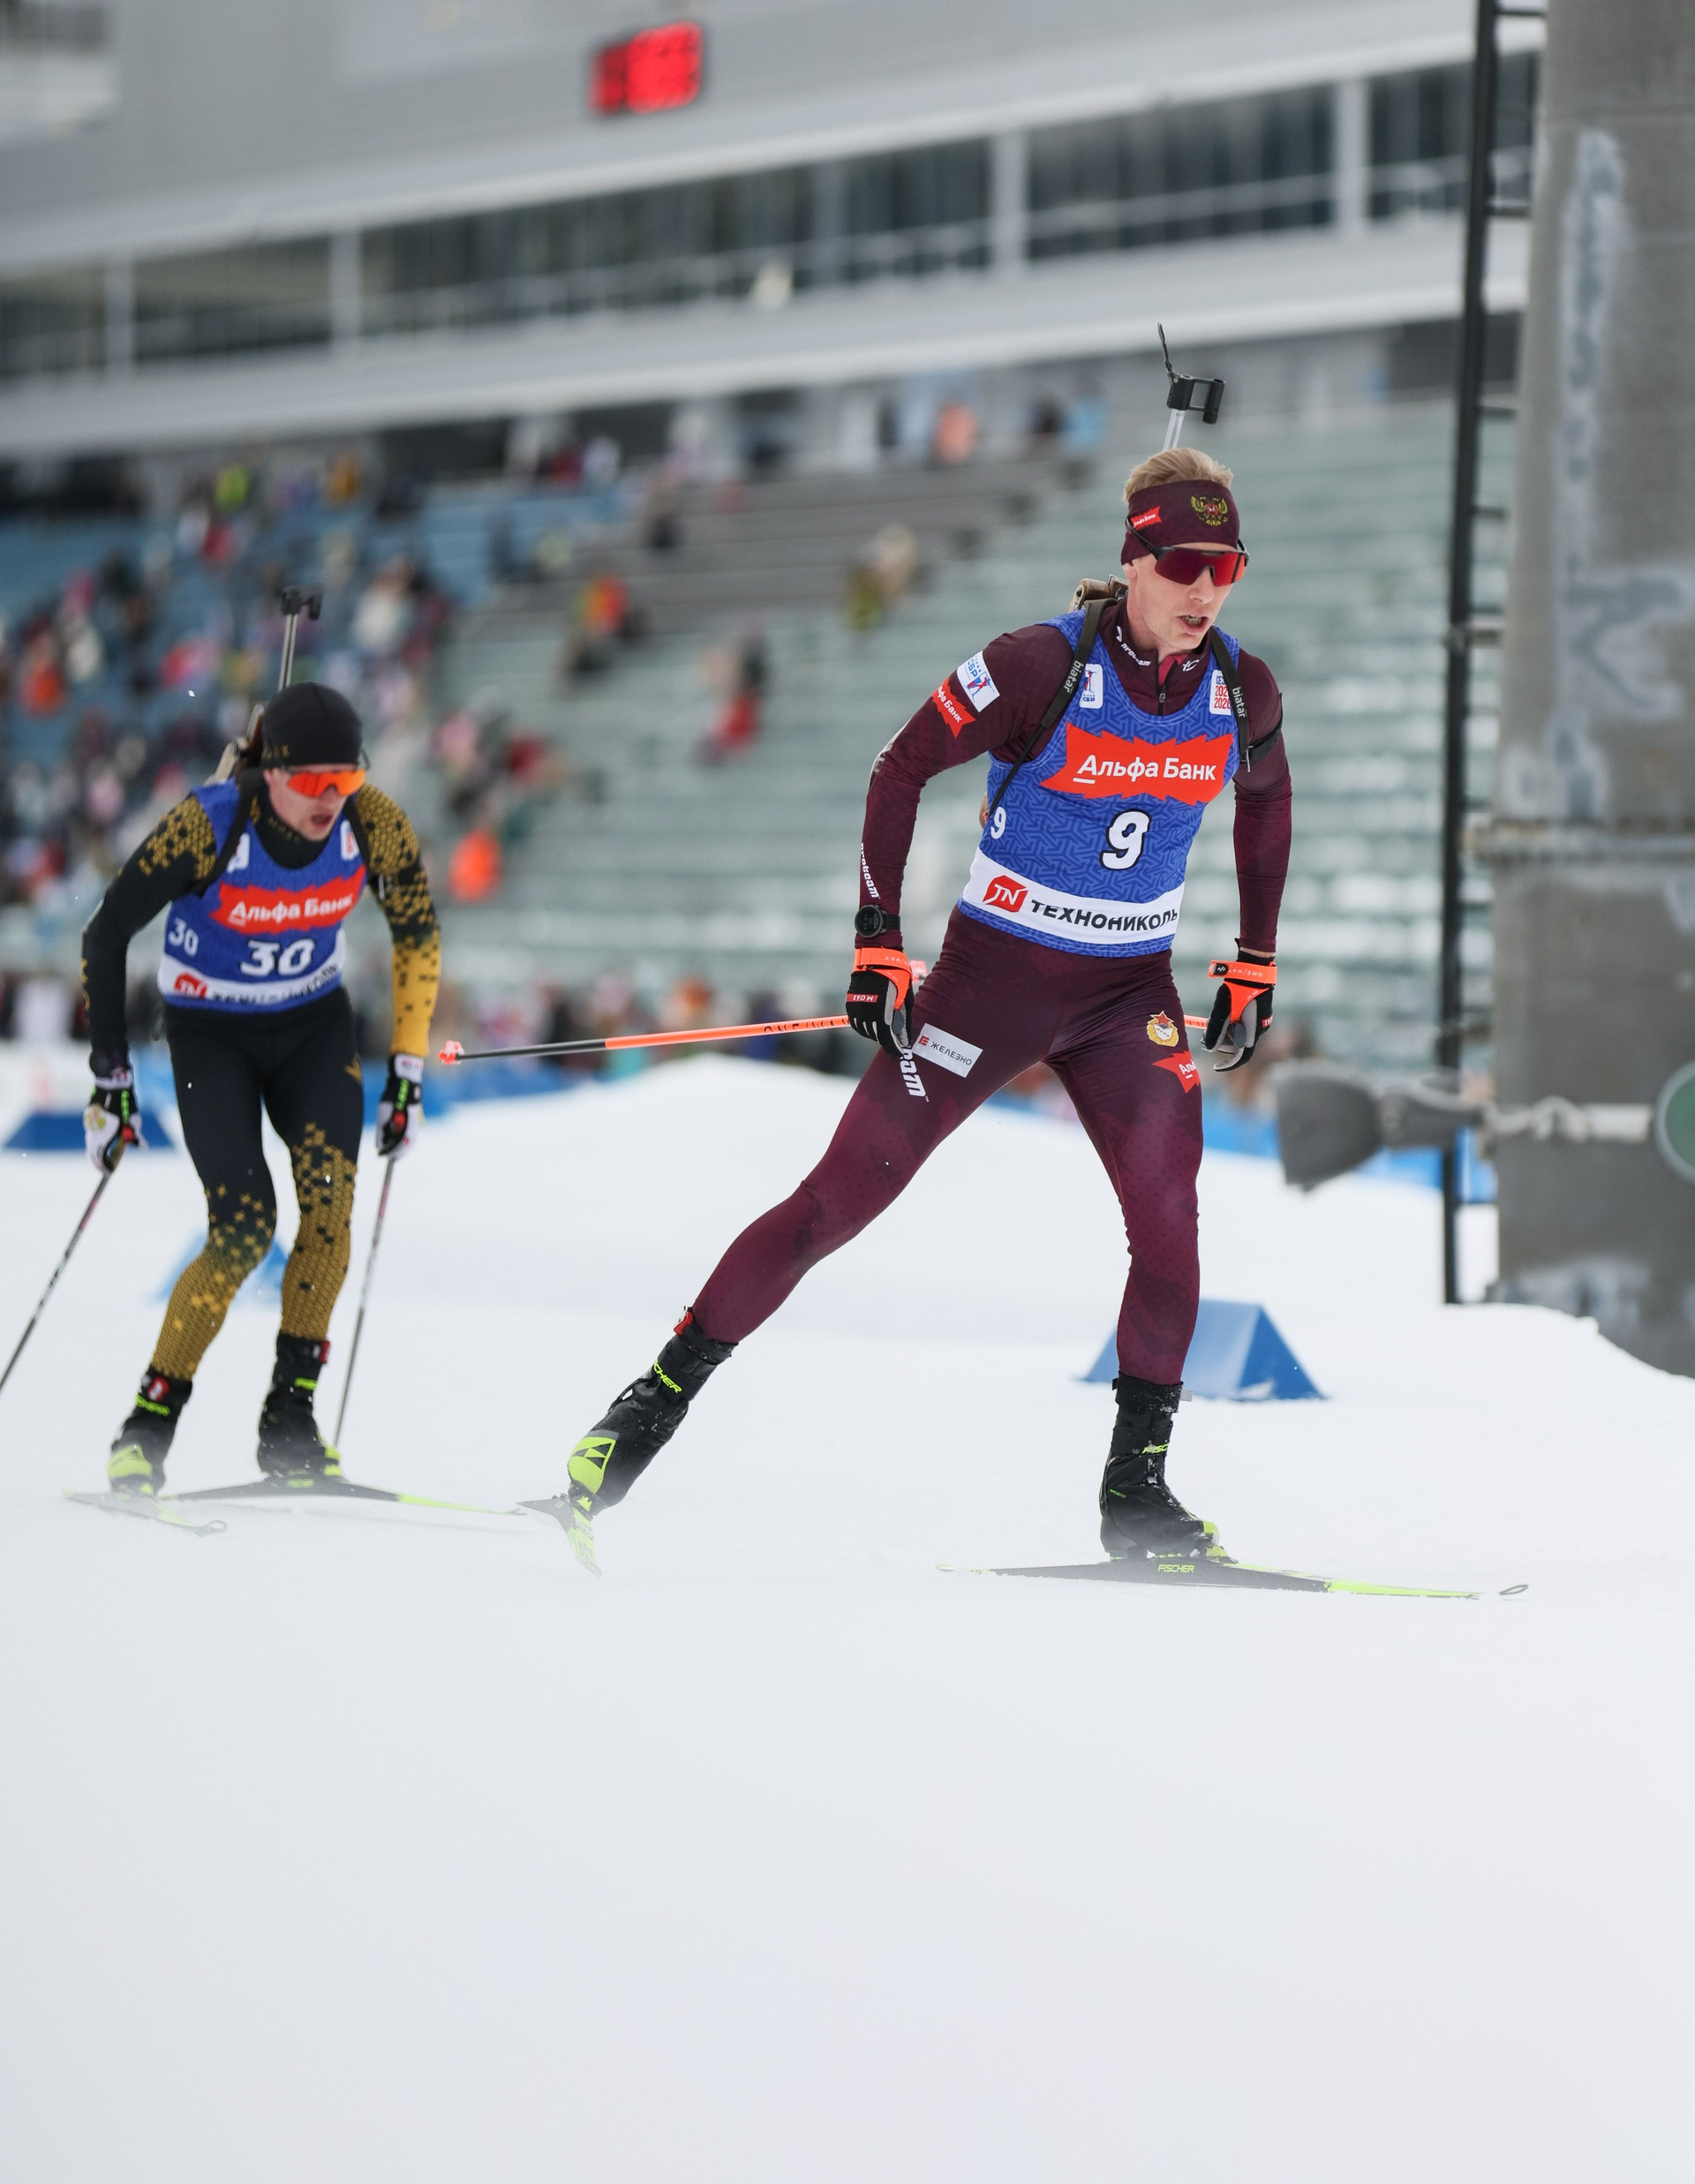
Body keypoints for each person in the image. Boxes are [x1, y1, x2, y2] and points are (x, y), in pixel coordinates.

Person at [541, 444, 1292, 1566]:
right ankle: (638, 1418)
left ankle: (1137, 1495)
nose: (1206, 589)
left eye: (1225, 567)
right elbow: (899, 769)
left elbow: (1268, 803)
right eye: (1184, 564)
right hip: (992, 985)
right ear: (1134, 558)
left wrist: (1254, 960)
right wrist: (878, 942)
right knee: (835, 1206)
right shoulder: (1040, 663)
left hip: (1126, 992)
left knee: (1171, 1219)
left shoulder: (1239, 687)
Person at [81, 682, 441, 1495]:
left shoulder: (373, 821)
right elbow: (106, 933)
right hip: (213, 1034)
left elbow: (418, 934)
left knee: (330, 1211)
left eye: (345, 780)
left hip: (312, 1028)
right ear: (270, 771)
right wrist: (110, 1079)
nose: (331, 799)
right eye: (312, 782)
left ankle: (290, 1422)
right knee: (244, 1228)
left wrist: (409, 1068)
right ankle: (147, 1426)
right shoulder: (210, 823)